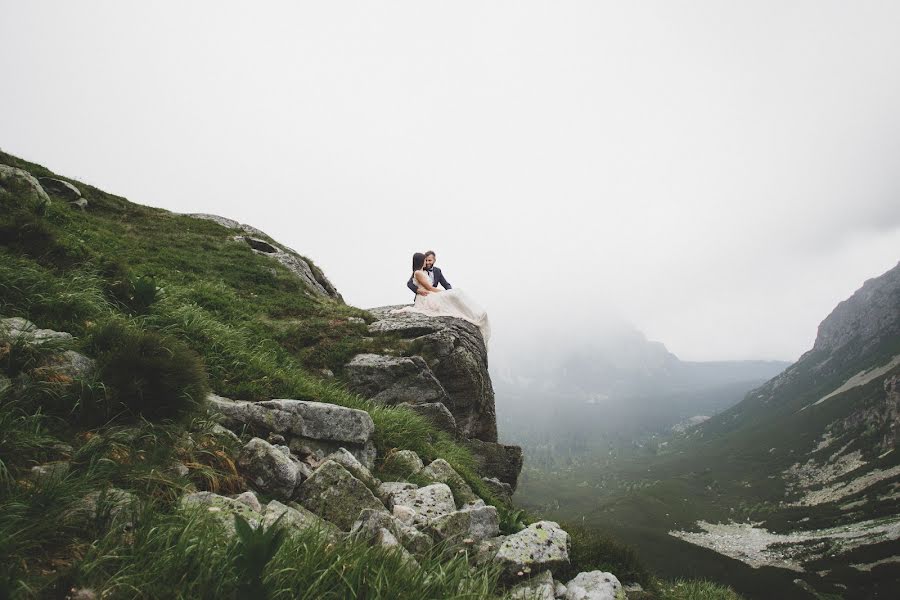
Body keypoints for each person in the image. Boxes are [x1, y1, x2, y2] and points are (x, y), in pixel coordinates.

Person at [394, 252, 491, 344]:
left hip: (431, 293)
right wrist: (418, 290)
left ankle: (474, 313)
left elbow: (445, 283)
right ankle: (474, 315)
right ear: (421, 261)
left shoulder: (435, 271)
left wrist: (449, 291)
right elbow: (415, 284)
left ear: (434, 260)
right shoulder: (418, 273)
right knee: (454, 295)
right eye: (425, 260)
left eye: (429, 260)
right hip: (425, 297)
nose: (427, 262)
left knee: (456, 293)